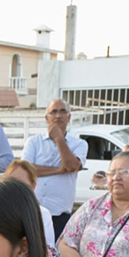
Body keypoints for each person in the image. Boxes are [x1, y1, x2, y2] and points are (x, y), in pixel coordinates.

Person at [22, 99, 88, 241]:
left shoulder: (80, 144)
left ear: (69, 117)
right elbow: (26, 169)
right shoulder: (33, 142)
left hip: (60, 214)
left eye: (63, 111)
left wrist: (59, 139)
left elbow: (71, 166)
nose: (58, 116)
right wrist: (58, 170)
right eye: (54, 112)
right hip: (33, 211)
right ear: (47, 118)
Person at [4, 159, 56, 244]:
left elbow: (48, 249)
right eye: (11, 183)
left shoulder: (42, 214)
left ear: (33, 186)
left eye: (22, 185)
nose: (16, 189)